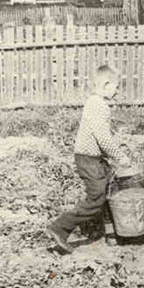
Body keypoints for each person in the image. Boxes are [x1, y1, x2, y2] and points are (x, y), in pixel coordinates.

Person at [47, 64, 130, 254]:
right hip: (88, 159)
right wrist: (120, 157)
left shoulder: (96, 103)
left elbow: (100, 137)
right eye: (116, 86)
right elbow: (103, 138)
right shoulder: (98, 105)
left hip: (94, 158)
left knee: (110, 190)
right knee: (96, 199)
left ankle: (111, 234)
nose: (117, 91)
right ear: (106, 84)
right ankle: (59, 227)